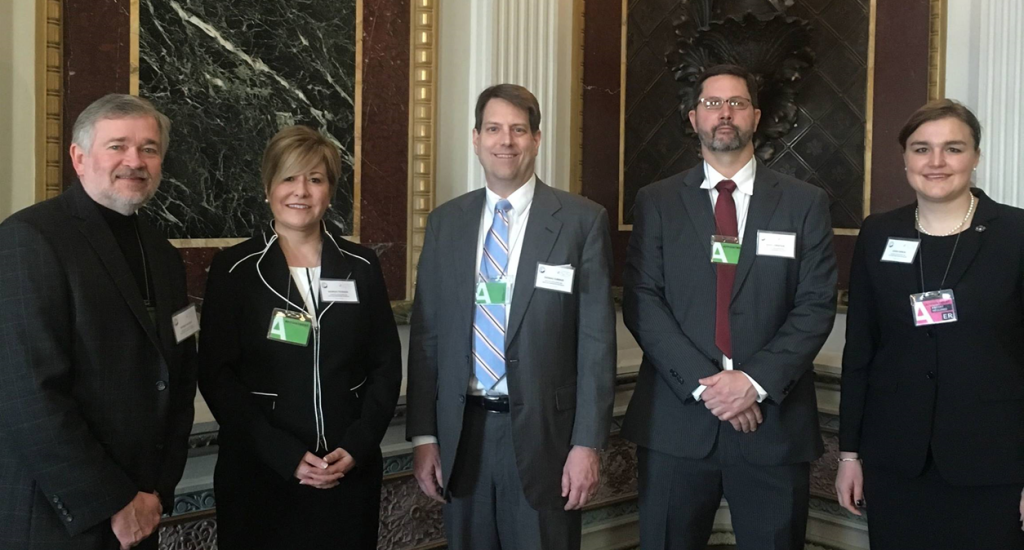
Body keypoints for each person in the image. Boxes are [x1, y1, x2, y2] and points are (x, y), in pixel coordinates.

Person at [621, 64, 838, 549]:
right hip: (677, 425)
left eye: (737, 103)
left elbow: (816, 304)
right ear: (693, 116)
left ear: (756, 116)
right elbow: (642, 302)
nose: (725, 113)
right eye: (713, 103)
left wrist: (752, 383)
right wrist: (710, 390)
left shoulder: (805, 203)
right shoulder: (656, 202)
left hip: (773, 427)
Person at [406, 83, 616, 550]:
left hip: (548, 439)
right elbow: (428, 337)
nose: (506, 141)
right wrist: (424, 435)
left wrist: (587, 445)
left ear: (536, 140)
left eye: (518, 130)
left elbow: (596, 343)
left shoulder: (582, 222)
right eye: (495, 129)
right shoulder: (446, 223)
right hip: (463, 437)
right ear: (476, 138)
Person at [0, 94, 198, 549]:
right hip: (59, 517)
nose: (135, 160)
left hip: (144, 504)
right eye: (118, 146)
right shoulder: (29, 238)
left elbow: (180, 374)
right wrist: (113, 501)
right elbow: (28, 395)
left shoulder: (162, 253)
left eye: (149, 148)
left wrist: (156, 492)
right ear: (79, 156)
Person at [197, 125, 402, 549]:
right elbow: (218, 376)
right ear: (268, 185)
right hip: (261, 472)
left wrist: (359, 444)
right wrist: (284, 456)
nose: (301, 192)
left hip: (346, 469)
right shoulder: (234, 269)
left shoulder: (360, 265)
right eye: (289, 177)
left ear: (330, 189)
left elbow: (385, 364)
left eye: (315, 179)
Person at [835, 99, 1024, 548]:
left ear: (976, 156)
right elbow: (860, 348)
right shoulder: (878, 233)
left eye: (953, 149)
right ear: (904, 159)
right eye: (922, 149)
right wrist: (849, 454)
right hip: (896, 462)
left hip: (994, 466)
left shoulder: (1016, 234)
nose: (936, 162)